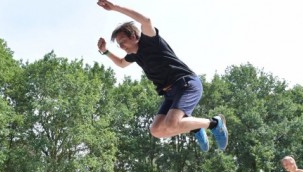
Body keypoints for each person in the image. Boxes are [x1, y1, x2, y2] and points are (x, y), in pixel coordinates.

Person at [96, 0, 228, 152]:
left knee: (172, 123)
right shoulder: (134, 56)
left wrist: (114, 8)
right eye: (118, 44)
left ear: (133, 36)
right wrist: (105, 51)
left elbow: (146, 20)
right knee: (156, 130)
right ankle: (195, 128)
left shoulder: (150, 41)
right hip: (170, 94)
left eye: (123, 41)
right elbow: (120, 62)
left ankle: (214, 124)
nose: (121, 46)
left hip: (186, 84)